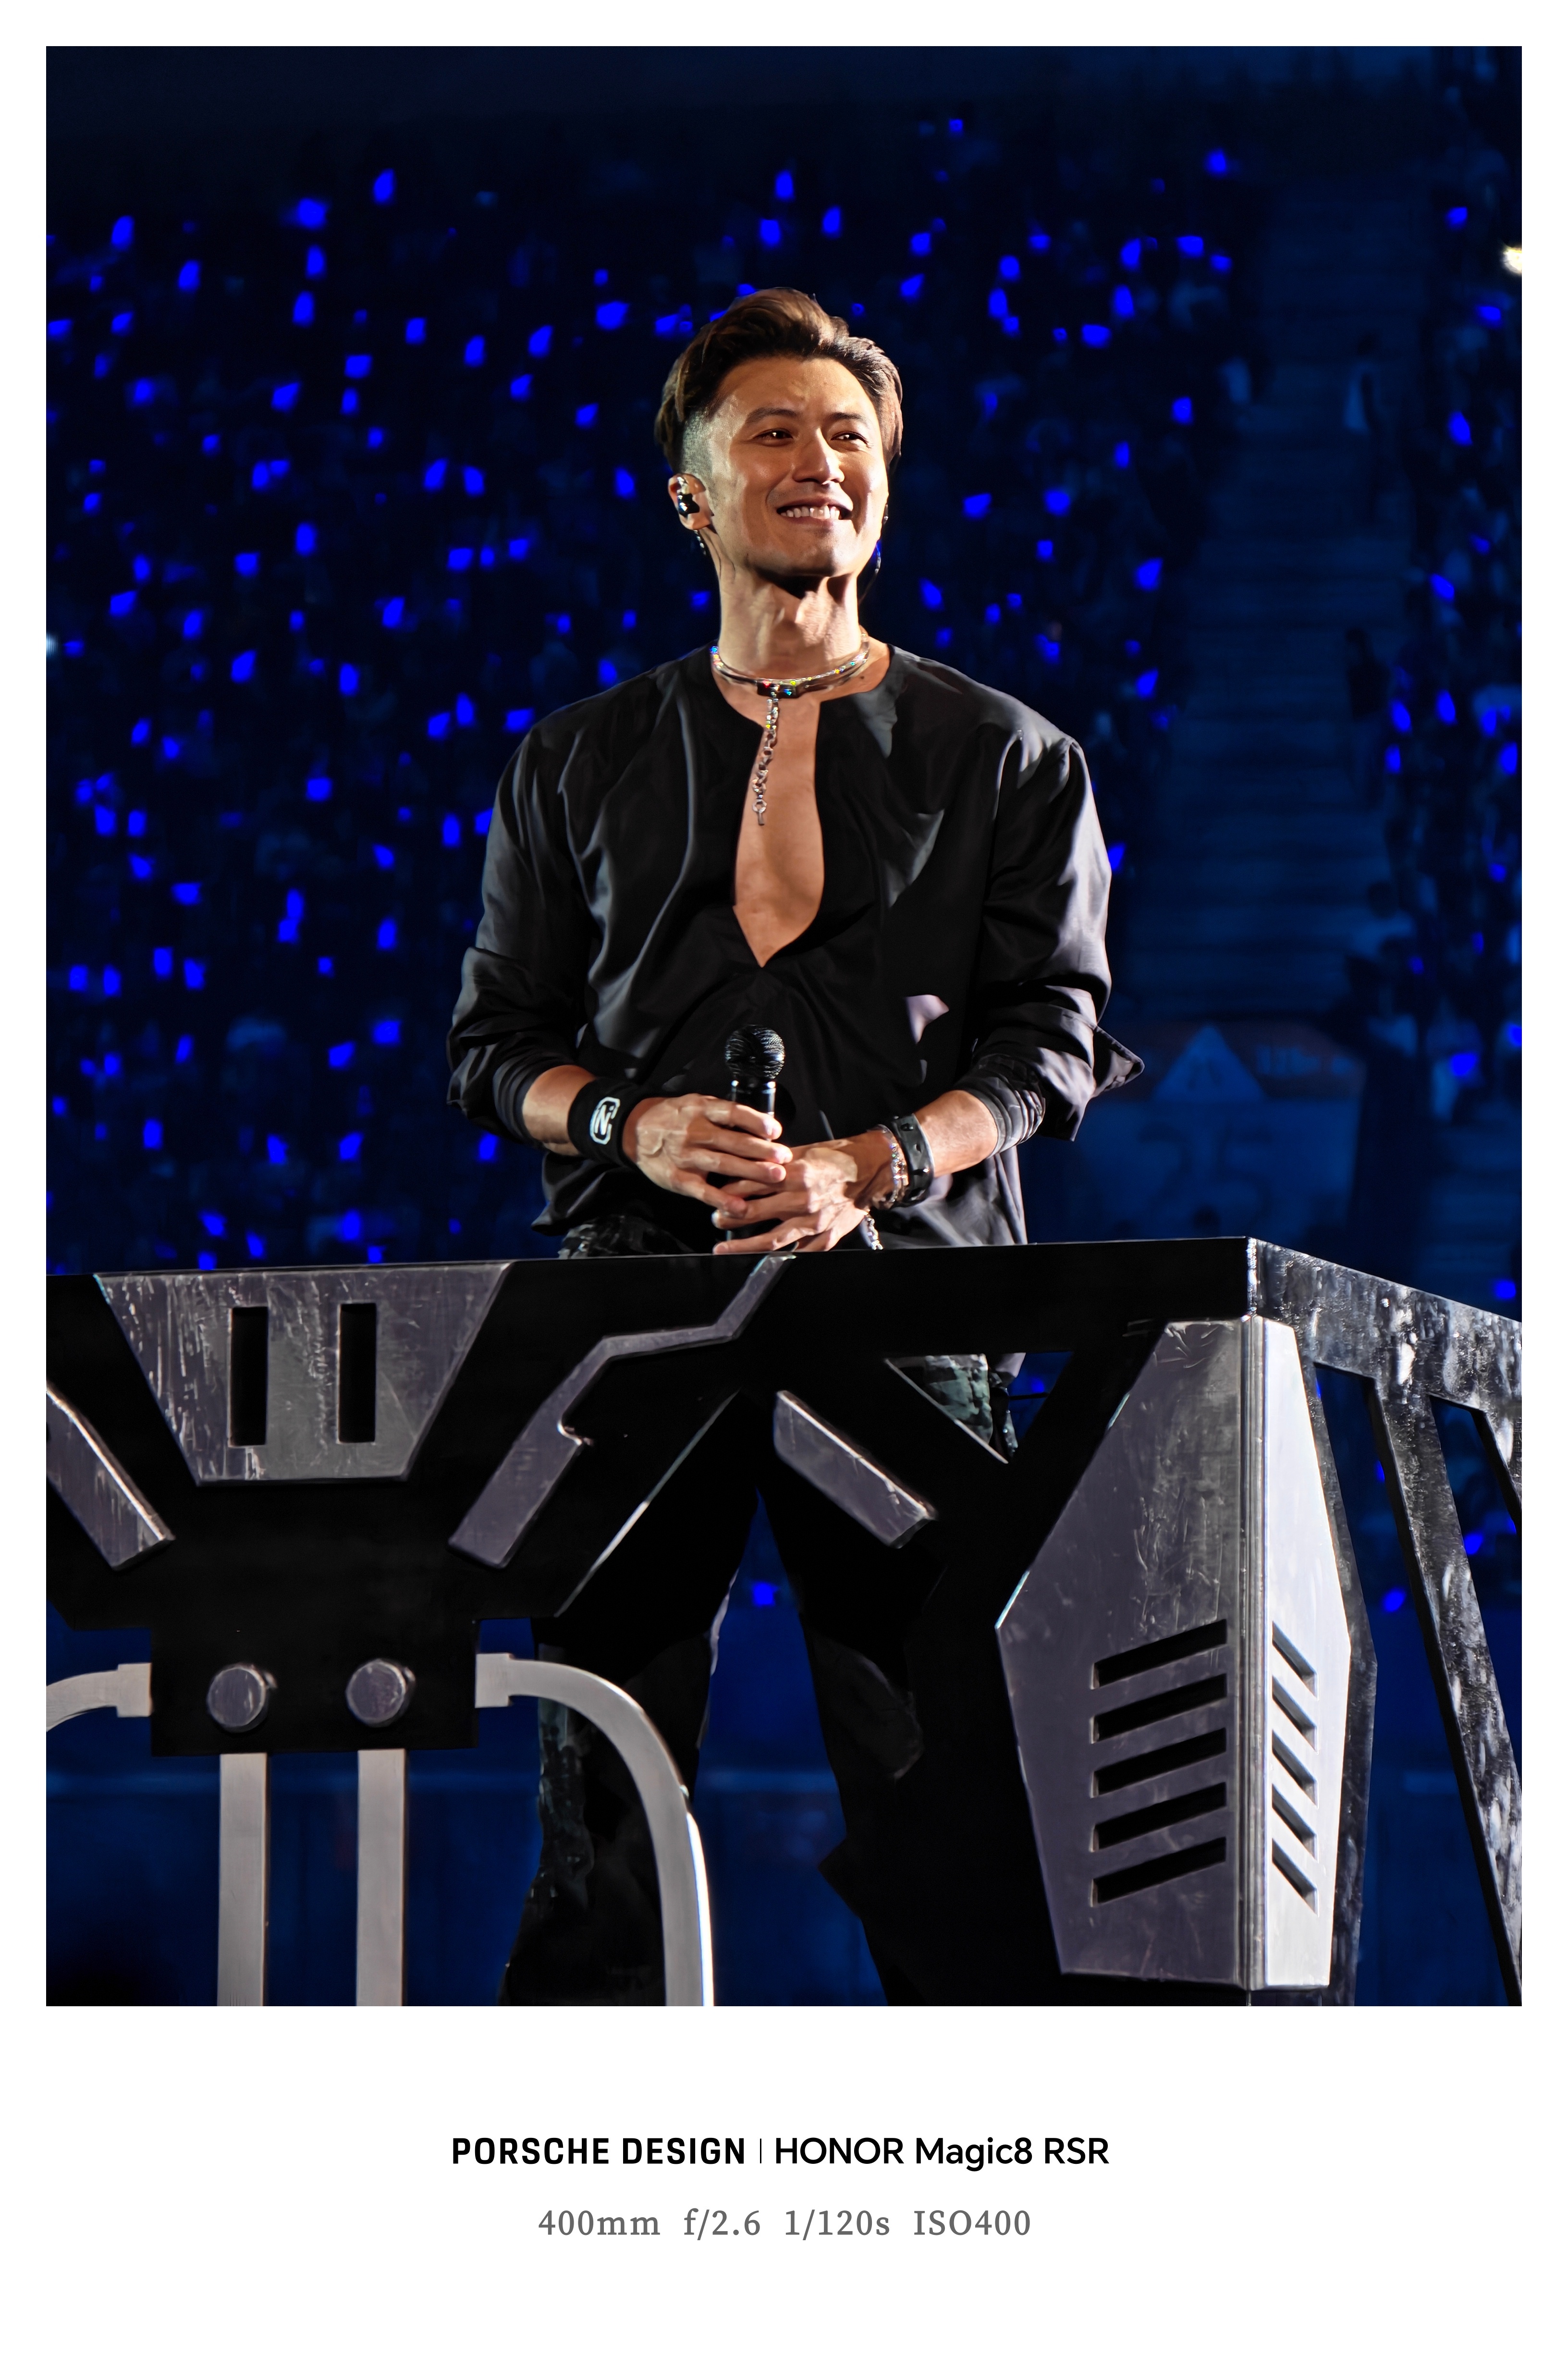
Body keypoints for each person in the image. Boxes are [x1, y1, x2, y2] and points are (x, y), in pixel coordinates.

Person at [447, 288, 1137, 2003]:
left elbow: (1051, 1051)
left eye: (850, 437)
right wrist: (631, 1123)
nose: (821, 460)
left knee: (936, 1767)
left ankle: (1003, 2133)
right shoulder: (574, 760)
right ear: (692, 492)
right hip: (631, 1317)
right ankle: (572, 2133)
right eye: (775, 431)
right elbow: (493, 1050)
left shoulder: (1012, 756)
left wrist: (868, 1166)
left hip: (907, 1316)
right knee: (601, 1771)